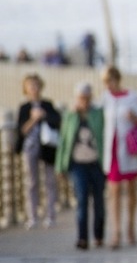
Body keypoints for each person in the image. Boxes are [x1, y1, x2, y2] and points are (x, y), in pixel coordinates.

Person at [101, 66, 137, 250]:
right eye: (105, 82)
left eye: (109, 81)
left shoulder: (132, 96)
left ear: (117, 79)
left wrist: (135, 117)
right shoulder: (105, 98)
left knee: (131, 189)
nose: (108, 85)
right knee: (113, 191)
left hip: (129, 149)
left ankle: (130, 226)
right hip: (112, 149)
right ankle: (116, 231)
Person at [55, 82, 105, 250]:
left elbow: (103, 135)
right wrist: (60, 166)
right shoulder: (70, 116)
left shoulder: (98, 114)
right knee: (82, 199)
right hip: (78, 165)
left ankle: (98, 235)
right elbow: (63, 141)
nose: (83, 101)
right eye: (80, 97)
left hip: (97, 164)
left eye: (86, 97)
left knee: (99, 201)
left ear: (91, 97)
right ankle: (82, 238)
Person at [14, 73, 61, 229]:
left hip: (47, 147)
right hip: (30, 147)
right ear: (25, 89)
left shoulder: (47, 105)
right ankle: (32, 216)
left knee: (49, 181)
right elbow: (21, 130)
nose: (34, 88)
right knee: (31, 182)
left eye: (36, 85)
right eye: (30, 86)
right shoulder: (24, 107)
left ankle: (50, 215)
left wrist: (44, 116)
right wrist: (34, 119)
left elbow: (57, 122)